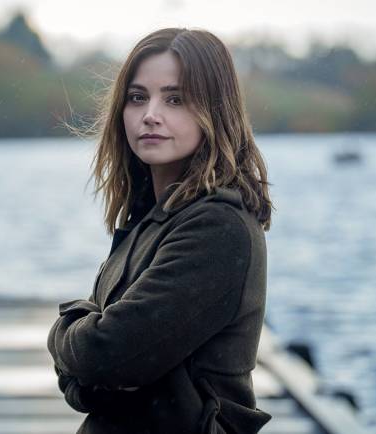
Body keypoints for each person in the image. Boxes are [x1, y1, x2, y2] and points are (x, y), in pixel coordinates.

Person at [47, 27, 274, 434]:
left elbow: (108, 355)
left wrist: (65, 330)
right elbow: (100, 371)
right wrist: (91, 374)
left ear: (214, 110)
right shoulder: (148, 220)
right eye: (138, 97)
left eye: (175, 99)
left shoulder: (218, 227)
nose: (151, 113)